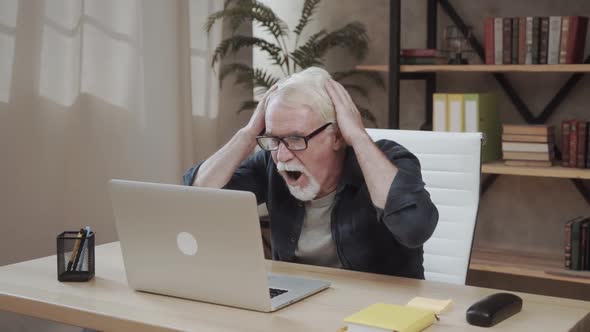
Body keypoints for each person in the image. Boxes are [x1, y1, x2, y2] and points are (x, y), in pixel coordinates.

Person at [183, 67, 438, 279]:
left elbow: (414, 228)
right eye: (274, 138)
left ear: (337, 136)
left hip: (380, 312)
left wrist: (359, 138)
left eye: (295, 138)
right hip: (301, 309)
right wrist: (248, 134)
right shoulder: (271, 165)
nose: (282, 156)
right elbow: (197, 200)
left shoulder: (389, 158)